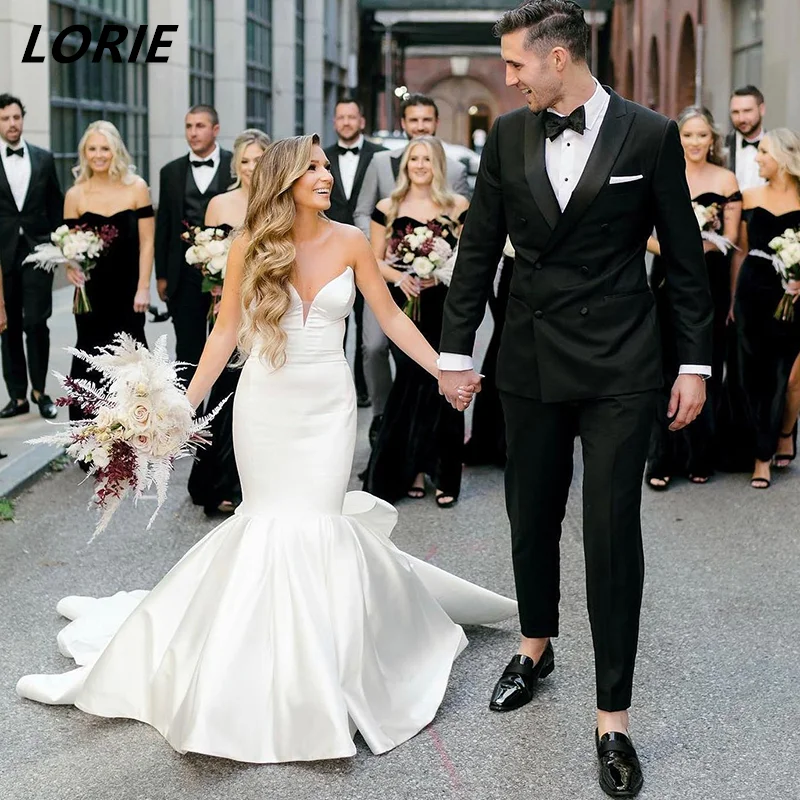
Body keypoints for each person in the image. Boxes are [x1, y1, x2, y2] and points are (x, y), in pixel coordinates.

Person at [17, 134, 516, 764]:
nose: (326, 176)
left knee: (317, 523)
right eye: (314, 168)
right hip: (266, 404)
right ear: (286, 180)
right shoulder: (250, 244)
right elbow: (225, 331)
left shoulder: (351, 241)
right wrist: (180, 406)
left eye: (327, 166)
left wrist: (444, 368)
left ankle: (321, 677)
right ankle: (259, 671)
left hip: (328, 407)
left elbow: (391, 318)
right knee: (269, 523)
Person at [437, 3, 713, 797]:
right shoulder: (507, 136)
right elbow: (478, 249)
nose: (507, 78)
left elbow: (685, 260)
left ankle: (612, 719)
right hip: (528, 357)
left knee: (611, 531)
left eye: (515, 64)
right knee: (530, 510)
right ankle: (535, 645)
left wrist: (693, 364)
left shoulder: (650, 135)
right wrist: (455, 354)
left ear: (558, 58)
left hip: (623, 361)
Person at [355, 94, 471, 446]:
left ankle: (434, 446)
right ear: (404, 124)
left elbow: (464, 242)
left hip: (438, 295)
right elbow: (364, 214)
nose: (420, 127)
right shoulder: (381, 171)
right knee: (377, 349)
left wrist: (440, 269)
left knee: (432, 367)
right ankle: (385, 421)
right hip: (392, 284)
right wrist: (390, 263)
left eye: (426, 120)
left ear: (436, 123)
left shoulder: (456, 177)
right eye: (414, 120)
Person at [645, 107, 741, 488]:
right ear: (677, 138)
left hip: (710, 279)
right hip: (666, 277)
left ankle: (699, 453)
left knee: (705, 364)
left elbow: (731, 240)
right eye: (688, 135)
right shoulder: (662, 171)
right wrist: (675, 251)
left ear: (712, 138)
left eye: (702, 135)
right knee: (665, 365)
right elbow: (640, 232)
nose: (695, 142)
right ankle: (662, 457)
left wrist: (701, 250)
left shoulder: (726, 179)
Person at [187, 128, 270, 516]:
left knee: (260, 393)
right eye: (245, 160)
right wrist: (217, 286)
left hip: (265, 310)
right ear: (236, 164)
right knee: (225, 390)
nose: (252, 166)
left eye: (259, 158)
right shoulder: (219, 205)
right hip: (226, 310)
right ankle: (220, 481)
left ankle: (255, 483)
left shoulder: (278, 203)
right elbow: (205, 258)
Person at [61, 122, 153, 423]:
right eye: (92, 149)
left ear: (116, 151)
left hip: (128, 292)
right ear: (84, 153)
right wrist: (70, 267)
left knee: (132, 358)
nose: (99, 155)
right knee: (89, 356)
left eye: (105, 148)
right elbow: (68, 245)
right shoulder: (75, 195)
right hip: (91, 293)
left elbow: (147, 242)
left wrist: (143, 287)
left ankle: (136, 430)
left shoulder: (137, 188)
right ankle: (89, 433)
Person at [729, 129, 800, 489]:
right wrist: (731, 299)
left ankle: (782, 435)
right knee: (752, 376)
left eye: (764, 153)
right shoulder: (750, 196)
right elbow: (740, 252)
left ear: (783, 159)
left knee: (786, 378)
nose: (757, 159)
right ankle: (761, 455)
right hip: (752, 294)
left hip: (793, 298)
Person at [155, 105, 233, 387]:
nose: (193, 132)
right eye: (189, 126)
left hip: (228, 273)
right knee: (187, 352)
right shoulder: (170, 172)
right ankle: (188, 411)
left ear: (216, 130)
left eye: (200, 126)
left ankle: (222, 410)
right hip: (183, 275)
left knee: (228, 351)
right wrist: (162, 275)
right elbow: (163, 226)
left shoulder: (235, 166)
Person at [0, 93, 63, 420]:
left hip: (38, 253)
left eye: (16, 117)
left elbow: (56, 206)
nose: (12, 124)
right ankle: (17, 396)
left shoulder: (44, 158)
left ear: (22, 119)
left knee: (37, 322)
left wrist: (60, 247)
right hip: (3, 255)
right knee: (7, 326)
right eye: (5, 119)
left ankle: (40, 392)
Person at [323, 97, 387, 408]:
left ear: (361, 121)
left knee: (367, 325)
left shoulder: (380, 156)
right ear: (334, 122)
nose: (346, 122)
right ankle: (335, 387)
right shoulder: (321, 157)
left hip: (369, 250)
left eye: (352, 117)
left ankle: (363, 389)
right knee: (334, 322)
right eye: (341, 117)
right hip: (330, 253)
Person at [463, 236, 515, 467]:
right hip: (509, 263)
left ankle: (498, 439)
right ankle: (495, 439)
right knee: (504, 345)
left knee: (504, 346)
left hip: (522, 263)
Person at [726, 86, 768, 192]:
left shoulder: (778, 148)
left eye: (747, 111)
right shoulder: (722, 145)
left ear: (762, 109)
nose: (741, 119)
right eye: (735, 112)